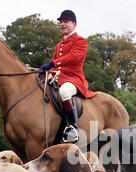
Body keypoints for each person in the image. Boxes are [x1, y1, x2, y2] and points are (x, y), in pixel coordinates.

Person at [40, 10, 96, 143]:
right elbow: (55, 65)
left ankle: (73, 128)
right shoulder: (59, 45)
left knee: (65, 92)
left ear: (74, 24)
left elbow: (73, 57)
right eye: (61, 22)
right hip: (58, 78)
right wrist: (47, 72)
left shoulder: (80, 41)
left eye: (66, 22)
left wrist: (53, 63)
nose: (62, 24)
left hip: (73, 79)